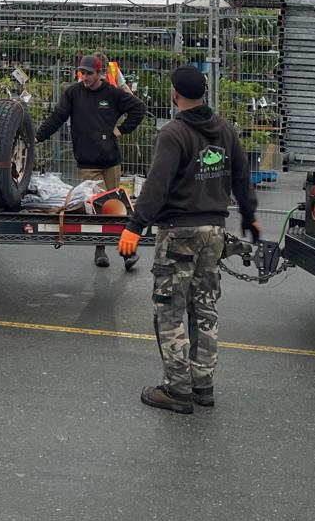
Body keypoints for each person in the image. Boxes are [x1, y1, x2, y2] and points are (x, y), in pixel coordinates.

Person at [117, 65, 258, 415]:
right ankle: (203, 385)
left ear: (174, 94)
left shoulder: (174, 133)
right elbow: (242, 175)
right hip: (213, 232)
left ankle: (177, 390)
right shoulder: (225, 129)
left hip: (179, 232)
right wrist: (250, 214)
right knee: (204, 309)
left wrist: (134, 226)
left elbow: (157, 184)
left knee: (170, 310)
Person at [35, 53, 147, 269]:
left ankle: (126, 251)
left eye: (89, 74)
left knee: (118, 209)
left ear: (99, 74)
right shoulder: (73, 94)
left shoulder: (112, 94)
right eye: (82, 73)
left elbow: (139, 108)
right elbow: (57, 117)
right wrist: (38, 137)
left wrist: (121, 130)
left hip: (111, 160)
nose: (84, 77)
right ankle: (103, 249)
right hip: (88, 163)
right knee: (101, 207)